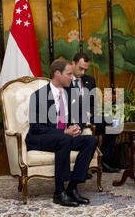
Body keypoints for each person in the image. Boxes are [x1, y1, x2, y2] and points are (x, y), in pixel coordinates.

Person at [25, 59, 98, 207]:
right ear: (57, 74)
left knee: (91, 141)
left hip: (65, 136)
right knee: (64, 138)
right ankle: (59, 192)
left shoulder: (71, 92)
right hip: (42, 138)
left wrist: (77, 126)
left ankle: (72, 187)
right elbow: (36, 127)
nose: (72, 77)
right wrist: (64, 131)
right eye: (69, 74)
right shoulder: (38, 96)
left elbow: (82, 116)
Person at [67, 52, 120, 174]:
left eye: (86, 69)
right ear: (73, 64)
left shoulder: (90, 81)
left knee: (115, 123)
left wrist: (90, 113)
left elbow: (93, 104)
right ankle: (83, 167)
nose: (83, 72)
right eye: (81, 68)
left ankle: (103, 159)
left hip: (89, 117)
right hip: (72, 119)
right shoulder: (65, 81)